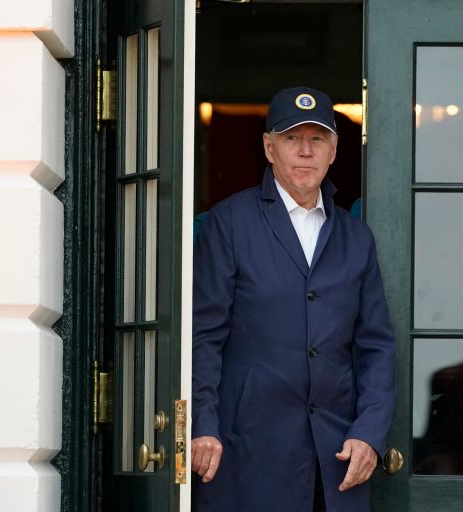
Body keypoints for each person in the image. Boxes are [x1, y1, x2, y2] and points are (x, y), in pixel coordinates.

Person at [191, 86, 396, 512]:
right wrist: (202, 425)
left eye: (317, 139)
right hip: (250, 451)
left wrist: (370, 433)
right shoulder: (228, 223)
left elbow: (375, 345)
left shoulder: (356, 237)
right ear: (270, 147)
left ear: (333, 151)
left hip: (338, 458)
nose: (305, 151)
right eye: (292, 138)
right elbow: (203, 336)